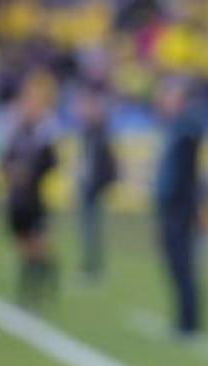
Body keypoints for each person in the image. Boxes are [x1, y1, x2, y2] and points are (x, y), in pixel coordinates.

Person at [2, 72, 59, 306]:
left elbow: (51, 162)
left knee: (37, 243)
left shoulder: (45, 131)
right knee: (23, 244)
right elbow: (4, 158)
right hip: (16, 197)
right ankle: (39, 278)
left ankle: (33, 288)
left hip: (34, 197)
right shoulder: (15, 129)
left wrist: (31, 174)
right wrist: (11, 172)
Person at [154, 77, 205, 337]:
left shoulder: (186, 129)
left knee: (182, 263)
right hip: (172, 206)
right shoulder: (177, 127)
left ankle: (189, 322)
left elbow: (185, 174)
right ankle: (183, 320)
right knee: (174, 263)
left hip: (180, 207)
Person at [75, 84, 118, 282]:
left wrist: (102, 182)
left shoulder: (99, 133)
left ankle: (93, 266)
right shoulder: (89, 132)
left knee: (91, 227)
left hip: (94, 186)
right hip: (88, 184)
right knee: (86, 227)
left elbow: (105, 162)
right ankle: (89, 264)